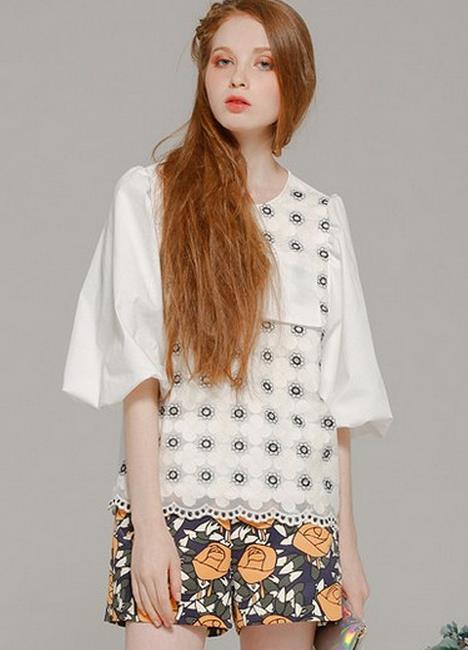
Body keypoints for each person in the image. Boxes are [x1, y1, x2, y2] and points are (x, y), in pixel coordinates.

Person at [62, 1, 393, 648]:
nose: (238, 78)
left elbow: (338, 399)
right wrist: (148, 527)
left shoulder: (322, 217)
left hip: (297, 511)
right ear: (204, 73)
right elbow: (138, 376)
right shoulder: (150, 195)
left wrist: (346, 549)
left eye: (263, 64)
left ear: (294, 79)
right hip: (177, 503)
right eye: (223, 61)